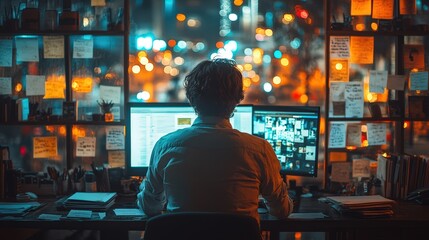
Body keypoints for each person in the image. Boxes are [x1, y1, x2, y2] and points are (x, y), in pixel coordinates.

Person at [137, 58, 293, 223]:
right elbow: (281, 210)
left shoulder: (165, 146)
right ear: (238, 99)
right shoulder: (259, 149)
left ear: (191, 99)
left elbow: (150, 207)